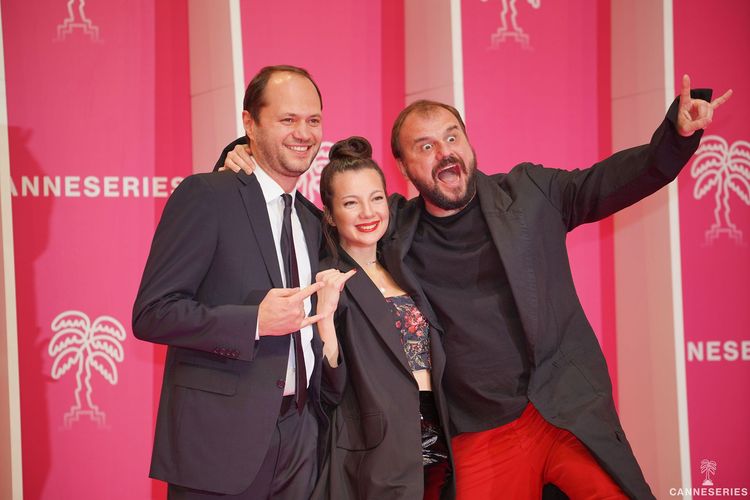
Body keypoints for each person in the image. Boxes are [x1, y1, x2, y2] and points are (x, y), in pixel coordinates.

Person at [218, 75, 731, 499]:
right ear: (404, 168)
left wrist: (677, 136)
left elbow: (611, 181)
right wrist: (246, 158)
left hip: (562, 408)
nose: (444, 153)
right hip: (478, 430)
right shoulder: (394, 227)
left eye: (452, 138)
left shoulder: (530, 194)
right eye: (425, 147)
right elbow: (321, 215)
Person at [133, 65, 351, 499]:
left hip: (302, 441)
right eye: (287, 119)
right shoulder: (207, 196)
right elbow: (153, 313)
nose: (303, 133)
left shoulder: (312, 221)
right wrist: (253, 322)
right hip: (219, 444)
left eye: (313, 120)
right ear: (249, 123)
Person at [311, 136, 454, 499]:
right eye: (351, 203)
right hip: (376, 451)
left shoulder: (406, 268)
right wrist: (325, 317)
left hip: (440, 438)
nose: (367, 213)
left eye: (376, 198)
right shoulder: (326, 279)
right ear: (330, 214)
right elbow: (327, 388)